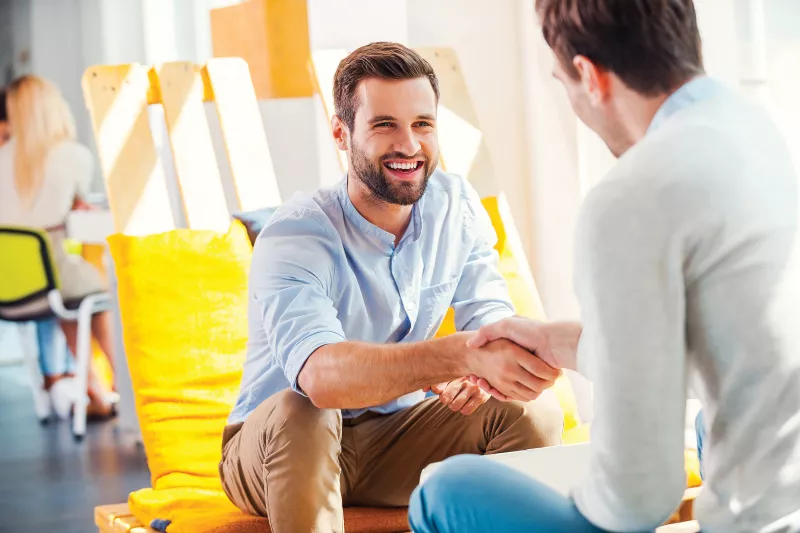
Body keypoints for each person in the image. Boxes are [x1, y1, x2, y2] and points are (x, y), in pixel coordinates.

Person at [409, 1, 800, 532]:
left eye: (563, 83)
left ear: (590, 77)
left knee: (443, 490)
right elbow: (732, 353)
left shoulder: (632, 194)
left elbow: (638, 499)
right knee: (715, 417)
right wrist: (562, 344)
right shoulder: (762, 128)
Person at [218, 42, 565, 533]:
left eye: (423, 124)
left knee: (528, 410)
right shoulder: (297, 233)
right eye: (385, 125)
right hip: (277, 448)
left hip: (394, 436)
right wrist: (458, 356)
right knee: (308, 410)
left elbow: (489, 317)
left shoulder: (456, 207)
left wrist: (487, 370)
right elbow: (320, 378)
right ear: (342, 133)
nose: (409, 145)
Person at [0, 75, 117, 418]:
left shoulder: (3, 156)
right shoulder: (73, 156)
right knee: (96, 291)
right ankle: (121, 386)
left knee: (67, 296)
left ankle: (93, 389)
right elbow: (71, 202)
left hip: (11, 284)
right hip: (52, 276)